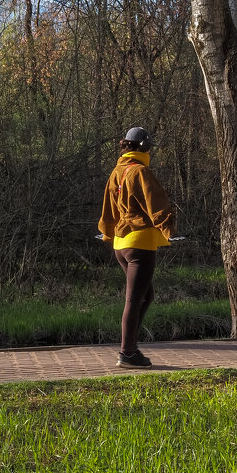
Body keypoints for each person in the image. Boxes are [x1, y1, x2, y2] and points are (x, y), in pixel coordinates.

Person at [98, 127, 176, 368]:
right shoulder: (141, 172)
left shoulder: (117, 172)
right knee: (134, 299)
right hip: (140, 243)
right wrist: (169, 230)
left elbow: (108, 209)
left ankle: (131, 346)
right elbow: (157, 203)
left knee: (145, 295)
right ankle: (128, 352)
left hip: (121, 245)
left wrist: (107, 232)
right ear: (144, 147)